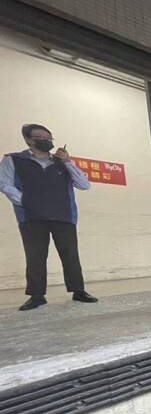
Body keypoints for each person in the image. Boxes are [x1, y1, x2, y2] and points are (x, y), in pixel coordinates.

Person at [0, 123, 97, 311]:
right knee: (35, 255)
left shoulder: (62, 162)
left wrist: (68, 162)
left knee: (70, 255)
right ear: (29, 140)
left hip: (64, 215)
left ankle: (78, 291)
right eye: (40, 137)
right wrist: (25, 201)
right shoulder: (13, 160)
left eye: (49, 138)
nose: (46, 141)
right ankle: (37, 296)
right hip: (31, 216)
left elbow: (84, 185)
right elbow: (4, 183)